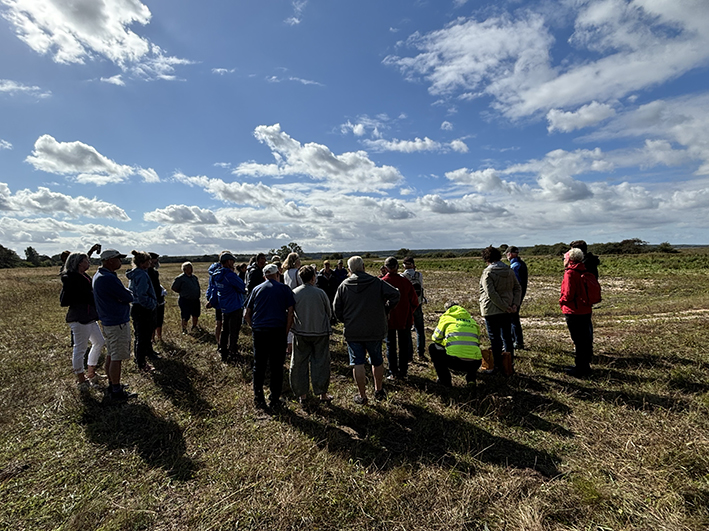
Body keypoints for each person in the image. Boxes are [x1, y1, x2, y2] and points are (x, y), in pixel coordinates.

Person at [333, 256, 400, 405]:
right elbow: (395, 294)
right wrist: (386, 309)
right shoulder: (377, 282)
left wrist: (346, 320)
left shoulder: (344, 285)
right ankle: (378, 390)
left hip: (353, 330)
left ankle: (362, 395)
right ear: (363, 267)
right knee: (377, 360)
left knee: (358, 362)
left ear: (349, 269)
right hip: (374, 329)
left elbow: (336, 309)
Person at [245, 263, 295, 410]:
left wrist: (254, 327)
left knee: (259, 365)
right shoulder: (284, 289)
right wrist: (285, 333)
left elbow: (246, 314)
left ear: (264, 276)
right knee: (276, 367)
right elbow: (290, 313)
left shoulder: (256, 289)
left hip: (260, 331)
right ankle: (274, 399)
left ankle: (259, 398)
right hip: (277, 330)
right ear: (277, 274)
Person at [92, 249, 136, 402]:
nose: (120, 261)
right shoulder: (107, 278)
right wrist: (126, 295)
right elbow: (127, 296)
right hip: (116, 323)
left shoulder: (101, 275)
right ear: (109, 260)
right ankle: (116, 391)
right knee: (116, 357)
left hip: (109, 321)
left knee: (111, 354)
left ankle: (113, 384)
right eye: (118, 259)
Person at [60, 252, 105, 388]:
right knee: (80, 348)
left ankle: (91, 372)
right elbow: (65, 300)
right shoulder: (71, 278)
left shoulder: (83, 276)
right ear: (79, 263)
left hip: (89, 316)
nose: (88, 263)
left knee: (99, 342)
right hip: (79, 318)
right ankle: (81, 379)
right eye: (86, 260)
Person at [290, 265, 333, 405]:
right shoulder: (320, 293)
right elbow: (329, 312)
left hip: (301, 332)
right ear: (313, 277)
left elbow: (289, 313)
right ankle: (322, 394)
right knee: (321, 362)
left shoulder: (294, 293)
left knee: (299, 363)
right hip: (320, 332)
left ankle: (302, 395)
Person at [479, 246, 521, 375]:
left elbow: (491, 294)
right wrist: (514, 305)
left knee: (495, 339)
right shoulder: (509, 270)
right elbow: (517, 288)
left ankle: (498, 366)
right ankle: (509, 365)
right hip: (507, 309)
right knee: (507, 338)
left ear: (486, 259)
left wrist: (505, 306)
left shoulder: (488, 272)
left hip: (492, 310)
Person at [381, 256, 418, 380]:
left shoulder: (382, 282)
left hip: (388, 319)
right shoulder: (405, 282)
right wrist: (409, 312)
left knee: (390, 345)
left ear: (386, 268)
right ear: (397, 267)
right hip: (404, 319)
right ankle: (403, 371)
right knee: (403, 345)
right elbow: (414, 301)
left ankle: (393, 371)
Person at [429, 302, 482, 387]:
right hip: (476, 363)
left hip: (455, 362)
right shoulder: (472, 321)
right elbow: (477, 342)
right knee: (471, 350)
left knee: (433, 347)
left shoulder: (446, 319)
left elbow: (436, 338)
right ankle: (471, 379)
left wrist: (447, 343)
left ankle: (445, 382)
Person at [560, 248, 594, 377]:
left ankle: (581, 369)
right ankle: (583, 365)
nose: (564, 260)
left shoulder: (570, 273)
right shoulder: (584, 269)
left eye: (565, 258)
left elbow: (568, 294)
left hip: (573, 310)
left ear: (569, 259)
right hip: (585, 309)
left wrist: (562, 301)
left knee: (578, 340)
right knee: (584, 340)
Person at [126, 250, 158, 371]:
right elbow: (142, 295)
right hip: (143, 308)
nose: (150, 263)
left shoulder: (135, 273)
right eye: (148, 261)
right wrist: (151, 305)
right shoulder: (142, 275)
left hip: (137, 307)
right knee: (143, 336)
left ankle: (140, 358)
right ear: (142, 263)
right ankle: (141, 362)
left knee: (140, 335)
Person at [213, 252, 246, 363]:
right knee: (234, 331)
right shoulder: (230, 275)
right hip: (235, 306)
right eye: (232, 261)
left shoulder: (217, 275)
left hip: (224, 306)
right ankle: (233, 352)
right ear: (228, 262)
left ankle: (223, 349)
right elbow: (242, 287)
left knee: (225, 330)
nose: (234, 263)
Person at [402, 256, 427, 361]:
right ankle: (421, 353)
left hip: (408, 305)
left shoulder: (402, 276)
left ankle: (409, 355)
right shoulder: (419, 275)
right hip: (418, 303)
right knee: (420, 329)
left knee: (407, 330)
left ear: (403, 265)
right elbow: (421, 287)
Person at [506, 246, 528, 350]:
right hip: (521, 294)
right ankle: (515, 340)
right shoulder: (521, 264)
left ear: (509, 254)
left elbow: (515, 284)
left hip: (515, 296)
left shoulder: (515, 266)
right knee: (514, 318)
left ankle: (517, 341)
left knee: (513, 318)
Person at [171, 261, 201, 334]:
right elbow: (174, 287)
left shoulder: (194, 277)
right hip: (185, 300)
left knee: (196, 314)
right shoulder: (180, 278)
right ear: (184, 269)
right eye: (189, 268)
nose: (191, 269)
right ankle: (184, 329)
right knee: (185, 315)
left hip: (195, 299)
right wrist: (183, 293)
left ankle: (194, 326)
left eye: (191, 268)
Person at [147, 252, 165, 344]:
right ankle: (152, 338)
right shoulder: (146, 272)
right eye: (154, 260)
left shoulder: (154, 272)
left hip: (159, 299)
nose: (156, 262)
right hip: (151, 300)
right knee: (152, 321)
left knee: (159, 319)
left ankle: (159, 337)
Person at [205, 258, 224, 345]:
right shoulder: (221, 271)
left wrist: (210, 299)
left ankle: (219, 342)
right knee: (223, 324)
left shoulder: (213, 271)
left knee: (219, 323)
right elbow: (216, 288)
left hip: (218, 302)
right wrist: (212, 301)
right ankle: (223, 343)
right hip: (223, 302)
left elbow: (211, 288)